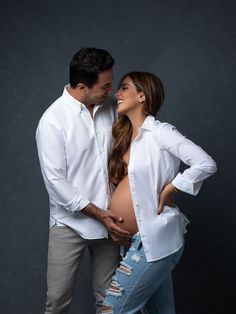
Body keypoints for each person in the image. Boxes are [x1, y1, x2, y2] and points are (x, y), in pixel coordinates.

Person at [102, 71, 217, 314]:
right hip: (134, 241)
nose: (117, 93)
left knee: (113, 310)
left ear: (142, 96)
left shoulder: (160, 132)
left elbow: (205, 163)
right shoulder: (125, 138)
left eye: (124, 88)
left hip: (153, 239)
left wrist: (172, 188)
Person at [35, 48, 131, 314]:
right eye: (105, 86)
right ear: (81, 86)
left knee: (109, 303)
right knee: (57, 303)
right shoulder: (52, 121)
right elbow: (56, 182)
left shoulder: (112, 108)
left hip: (111, 224)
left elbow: (126, 153)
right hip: (69, 225)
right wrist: (99, 214)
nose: (111, 91)